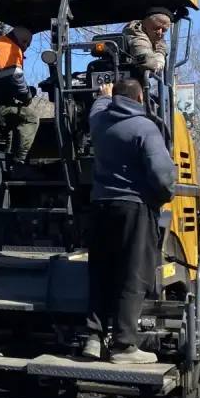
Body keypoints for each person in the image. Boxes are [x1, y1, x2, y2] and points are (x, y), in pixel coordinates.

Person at [83, 78, 177, 363]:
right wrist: (163, 196)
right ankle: (124, 345)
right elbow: (162, 174)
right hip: (134, 208)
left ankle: (92, 338)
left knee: (101, 272)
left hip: (100, 206)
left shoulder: (100, 124)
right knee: (132, 274)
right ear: (140, 98)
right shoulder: (145, 127)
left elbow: (96, 109)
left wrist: (103, 95)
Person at [0, 25, 38, 165]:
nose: (26, 47)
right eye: (26, 43)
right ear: (21, 41)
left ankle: (6, 156)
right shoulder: (9, 48)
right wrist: (27, 95)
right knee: (31, 118)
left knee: (13, 119)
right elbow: (14, 77)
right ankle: (20, 160)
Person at [121, 7, 173, 76]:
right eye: (156, 28)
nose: (160, 33)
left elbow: (161, 44)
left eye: (164, 30)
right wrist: (160, 58)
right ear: (145, 25)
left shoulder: (154, 37)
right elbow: (149, 65)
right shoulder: (136, 36)